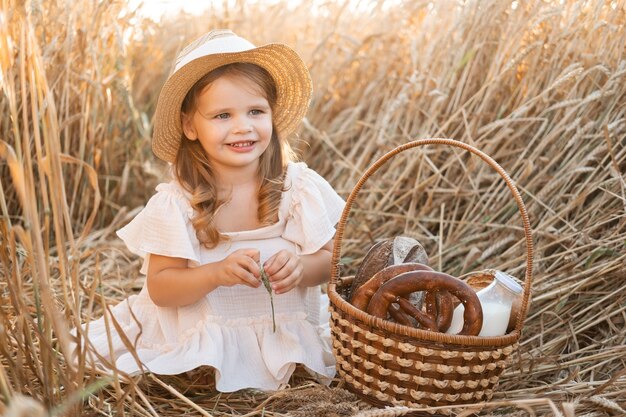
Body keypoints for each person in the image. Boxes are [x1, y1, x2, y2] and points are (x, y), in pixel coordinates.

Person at [78, 29, 345, 392]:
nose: (242, 127)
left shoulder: (296, 188)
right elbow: (161, 288)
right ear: (190, 125)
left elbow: (331, 262)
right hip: (198, 334)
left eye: (255, 111)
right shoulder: (179, 202)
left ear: (272, 114)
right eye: (222, 115)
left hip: (286, 330)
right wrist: (216, 273)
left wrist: (300, 268)